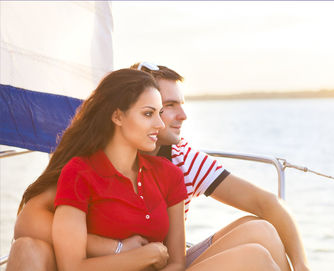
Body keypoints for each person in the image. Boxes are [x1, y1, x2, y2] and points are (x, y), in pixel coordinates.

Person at [7, 64, 308, 270]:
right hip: (125, 262)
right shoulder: (82, 168)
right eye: (156, 110)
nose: (171, 119)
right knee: (255, 257)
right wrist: (120, 249)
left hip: (166, 264)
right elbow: (33, 226)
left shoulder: (179, 162)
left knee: (263, 236)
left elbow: (176, 259)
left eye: (166, 110)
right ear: (119, 115)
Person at [9, 69, 189, 271]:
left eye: (160, 113)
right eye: (148, 114)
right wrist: (137, 255)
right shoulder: (79, 172)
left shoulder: (169, 173)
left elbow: (177, 263)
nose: (159, 123)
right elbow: (73, 267)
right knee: (25, 247)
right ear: (118, 116)